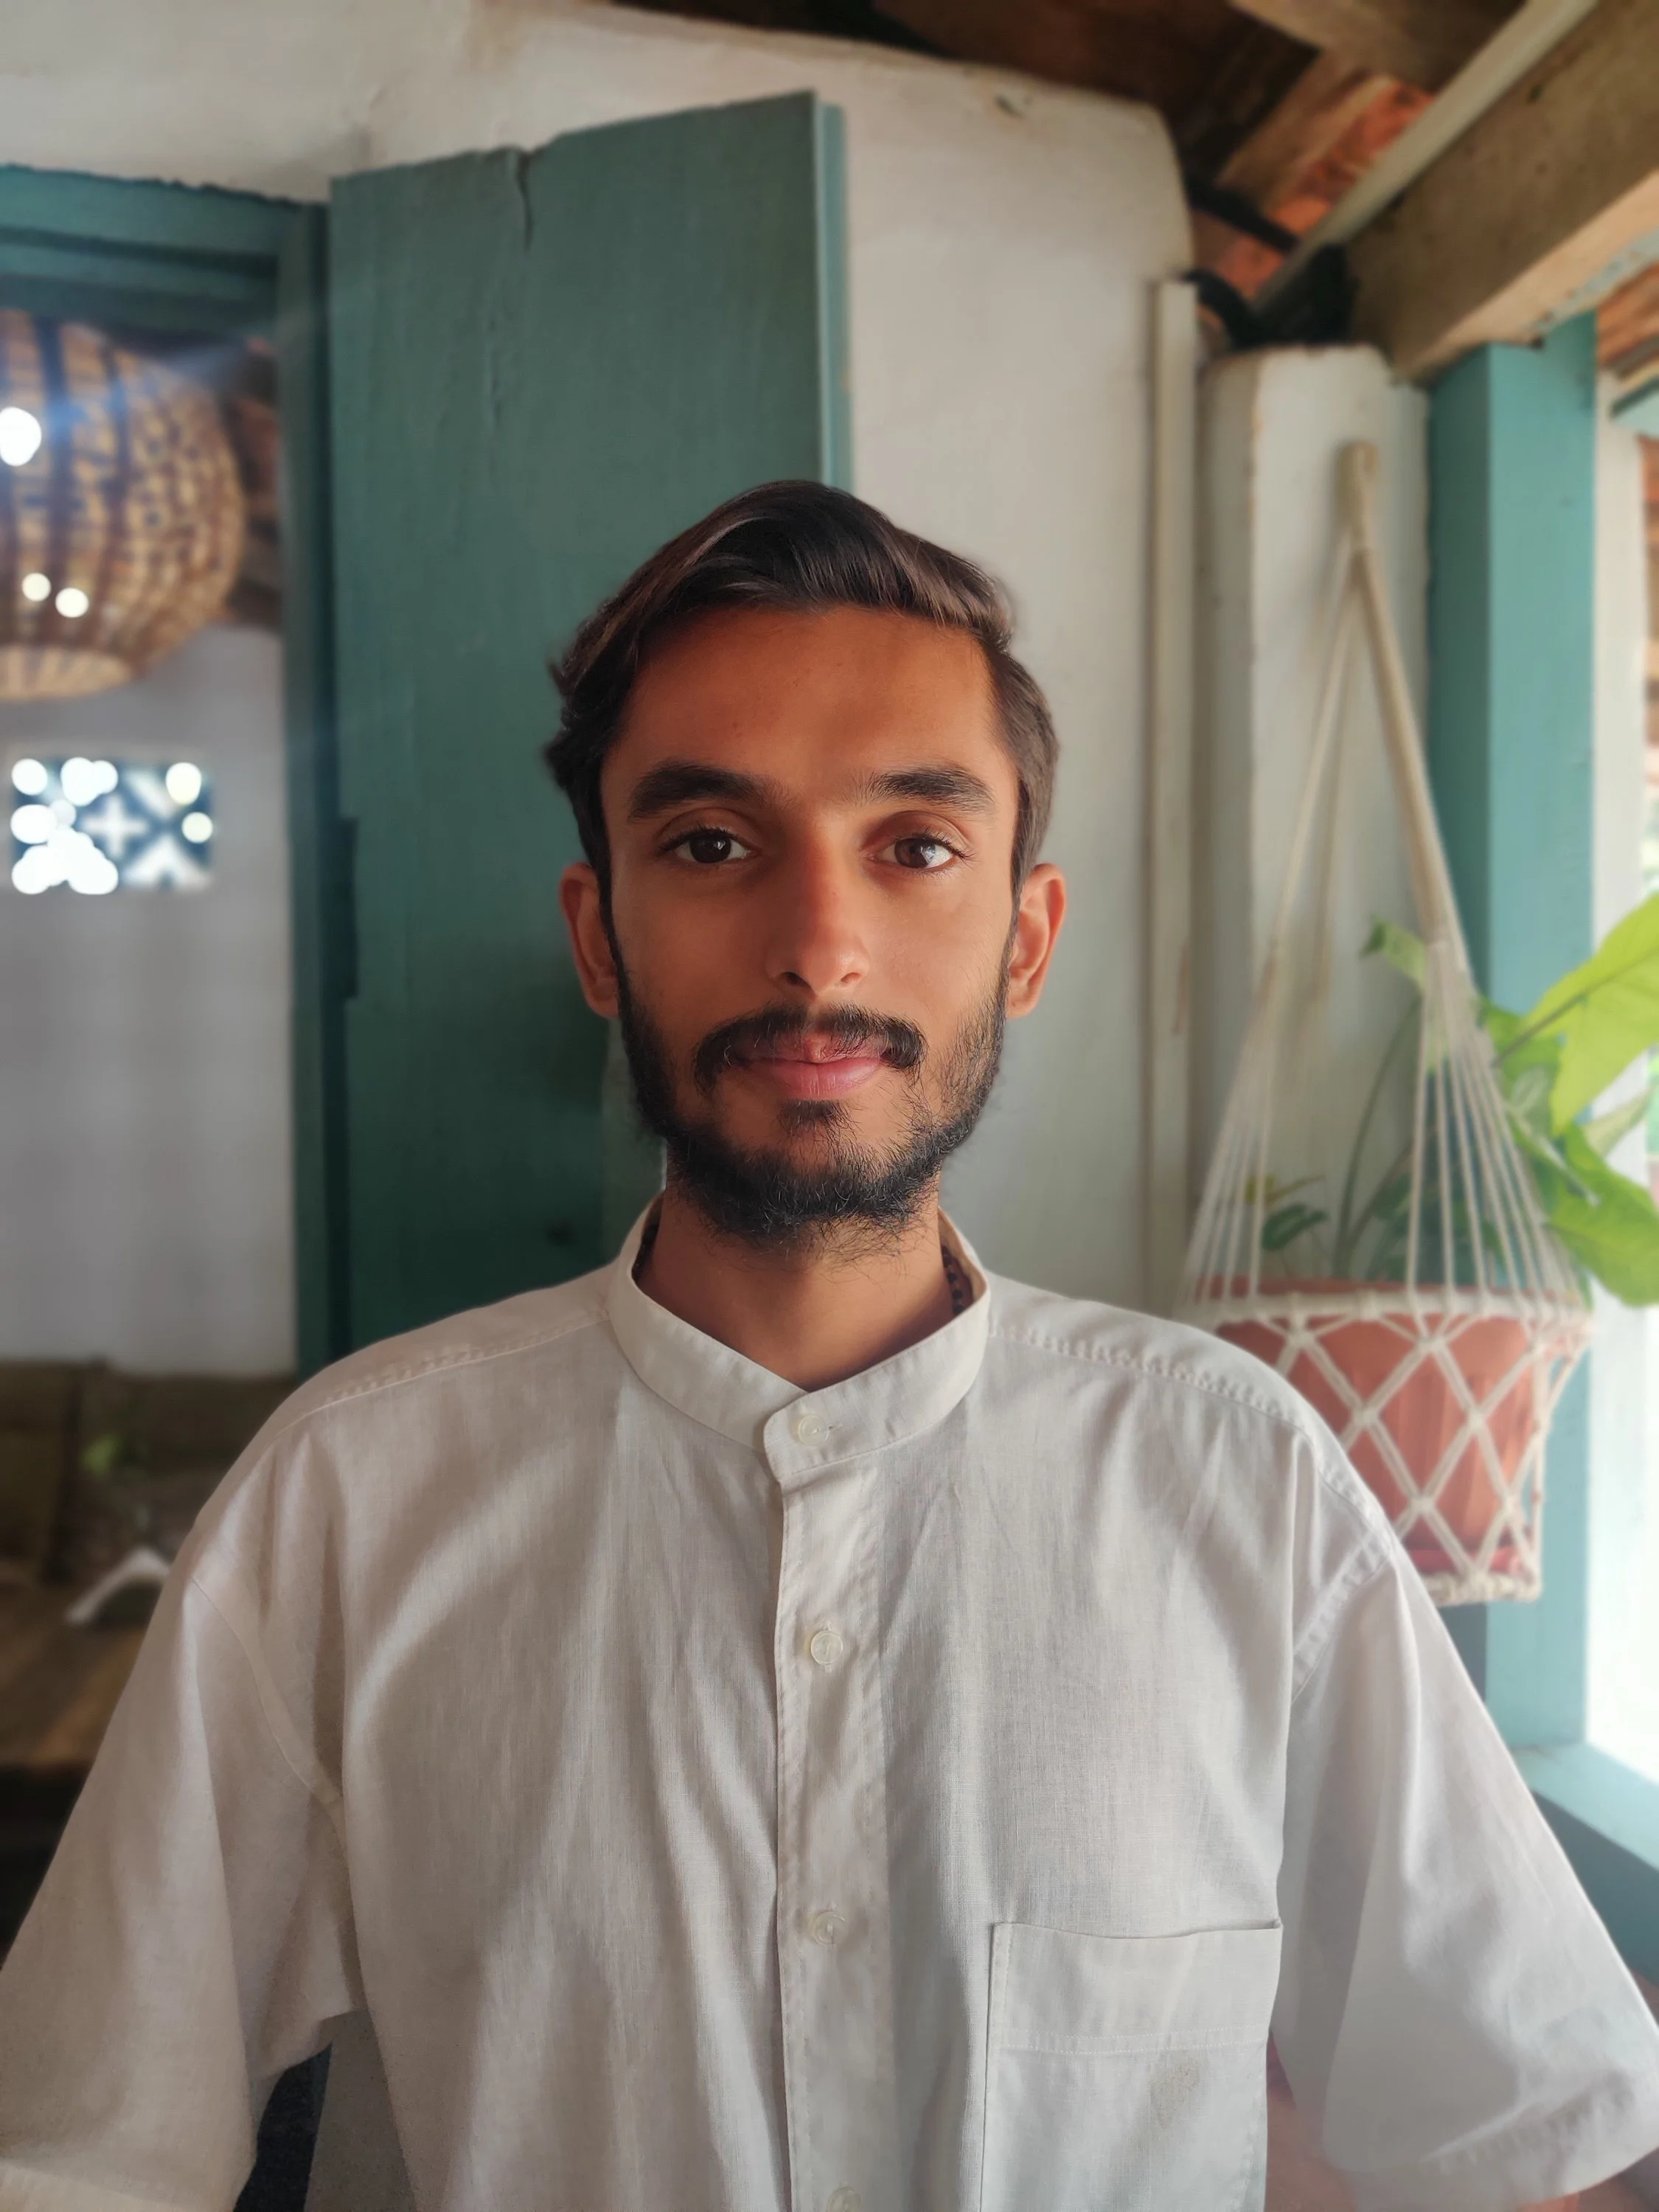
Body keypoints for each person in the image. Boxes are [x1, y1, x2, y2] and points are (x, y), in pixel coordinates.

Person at [1, 483, 1655, 2212]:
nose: (817, 947)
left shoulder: (1241, 1483)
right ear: (600, 938)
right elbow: (82, 2157)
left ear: (1025, 938)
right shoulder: (348, 1501)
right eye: (713, 845)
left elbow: (1520, 2137)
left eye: (916, 846)